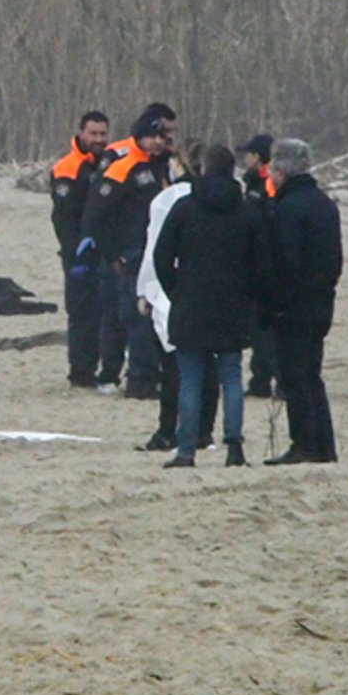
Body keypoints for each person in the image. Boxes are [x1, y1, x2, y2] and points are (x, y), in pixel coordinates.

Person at [153, 144, 265, 468]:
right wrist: (248, 297)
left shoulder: (185, 207)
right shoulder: (247, 211)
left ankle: (186, 450)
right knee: (231, 376)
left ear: (202, 170)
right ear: (233, 171)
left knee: (191, 378)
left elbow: (162, 256)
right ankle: (234, 446)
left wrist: (176, 289)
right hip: (232, 305)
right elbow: (262, 263)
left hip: (191, 301)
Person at [82, 111, 175, 399]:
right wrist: (112, 254)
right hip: (131, 253)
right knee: (133, 316)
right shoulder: (123, 166)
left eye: (163, 137)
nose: (159, 143)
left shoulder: (162, 165)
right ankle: (137, 379)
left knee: (155, 315)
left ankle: (152, 374)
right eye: (154, 137)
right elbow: (96, 214)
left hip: (157, 250)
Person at [261, 138, 342, 464]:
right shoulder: (325, 204)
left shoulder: (289, 208)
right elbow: (334, 259)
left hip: (296, 306)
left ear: (279, 171)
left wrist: (277, 303)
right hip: (322, 300)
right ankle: (324, 445)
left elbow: (285, 262)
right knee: (312, 374)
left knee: (294, 376)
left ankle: (304, 444)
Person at [134, 141, 218, 454]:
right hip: (210, 291)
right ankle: (204, 431)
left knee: (173, 368)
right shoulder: (222, 198)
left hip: (171, 291)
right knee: (209, 366)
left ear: (178, 165)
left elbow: (154, 252)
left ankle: (169, 430)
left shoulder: (166, 200)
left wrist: (144, 290)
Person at [52, 110, 111, 389]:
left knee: (104, 313)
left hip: (103, 250)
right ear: (81, 133)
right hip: (77, 252)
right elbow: (64, 219)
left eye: (103, 134)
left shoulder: (107, 163)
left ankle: (102, 368)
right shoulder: (68, 168)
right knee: (81, 313)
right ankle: (81, 373)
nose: (99, 139)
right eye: (94, 134)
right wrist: (75, 254)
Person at [238, 134, 279, 398]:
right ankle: (260, 378)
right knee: (260, 327)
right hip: (264, 262)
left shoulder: (263, 184)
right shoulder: (260, 182)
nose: (245, 159)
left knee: (262, 327)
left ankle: (266, 378)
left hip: (262, 263)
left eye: (248, 154)